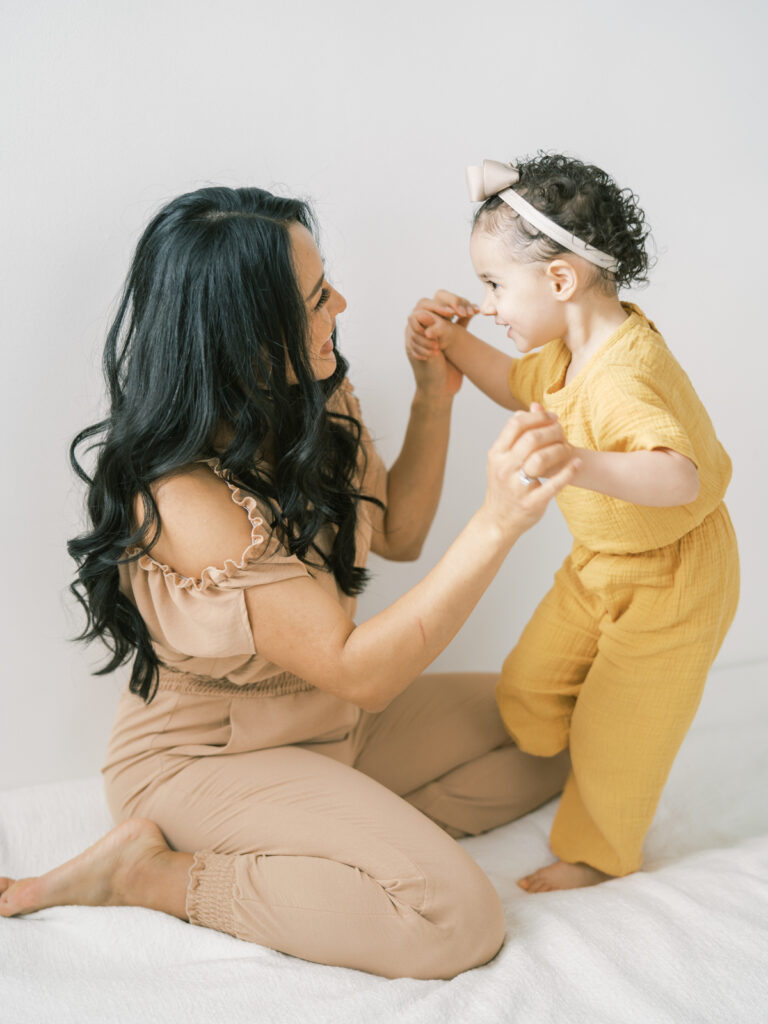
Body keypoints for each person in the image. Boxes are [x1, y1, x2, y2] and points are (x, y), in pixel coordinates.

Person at [0, 186, 579, 979]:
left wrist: (430, 397)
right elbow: (362, 670)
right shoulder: (184, 499)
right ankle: (150, 873)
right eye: (316, 298)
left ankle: (337, 845)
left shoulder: (316, 396)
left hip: (333, 727)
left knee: (565, 724)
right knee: (456, 921)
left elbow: (401, 535)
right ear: (248, 335)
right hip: (205, 761)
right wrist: (500, 520)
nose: (341, 302)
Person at [406, 154, 739, 894]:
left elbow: (678, 473)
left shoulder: (622, 372)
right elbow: (511, 383)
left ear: (560, 282)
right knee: (528, 688)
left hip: (677, 577)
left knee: (621, 739)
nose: (488, 304)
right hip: (602, 561)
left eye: (494, 287)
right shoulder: (562, 351)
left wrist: (579, 462)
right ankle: (569, 747)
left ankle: (596, 852)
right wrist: (453, 341)